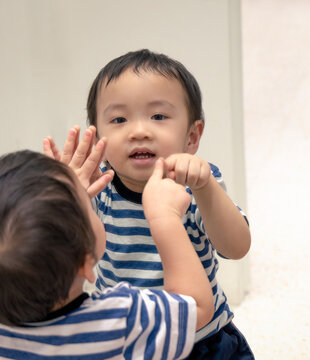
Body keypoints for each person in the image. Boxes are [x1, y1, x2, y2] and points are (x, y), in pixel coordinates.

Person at [44, 48, 254, 358]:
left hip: (200, 340)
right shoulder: (98, 187)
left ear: (192, 137)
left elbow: (236, 248)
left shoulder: (194, 185)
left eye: (158, 116)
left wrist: (206, 187)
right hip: (123, 340)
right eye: (119, 119)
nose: (139, 131)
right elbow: (60, 257)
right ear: (98, 137)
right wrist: (67, 195)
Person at [0, 149, 214, 359]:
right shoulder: (120, 321)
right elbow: (198, 307)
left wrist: (61, 196)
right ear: (85, 264)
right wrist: (165, 219)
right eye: (86, 204)